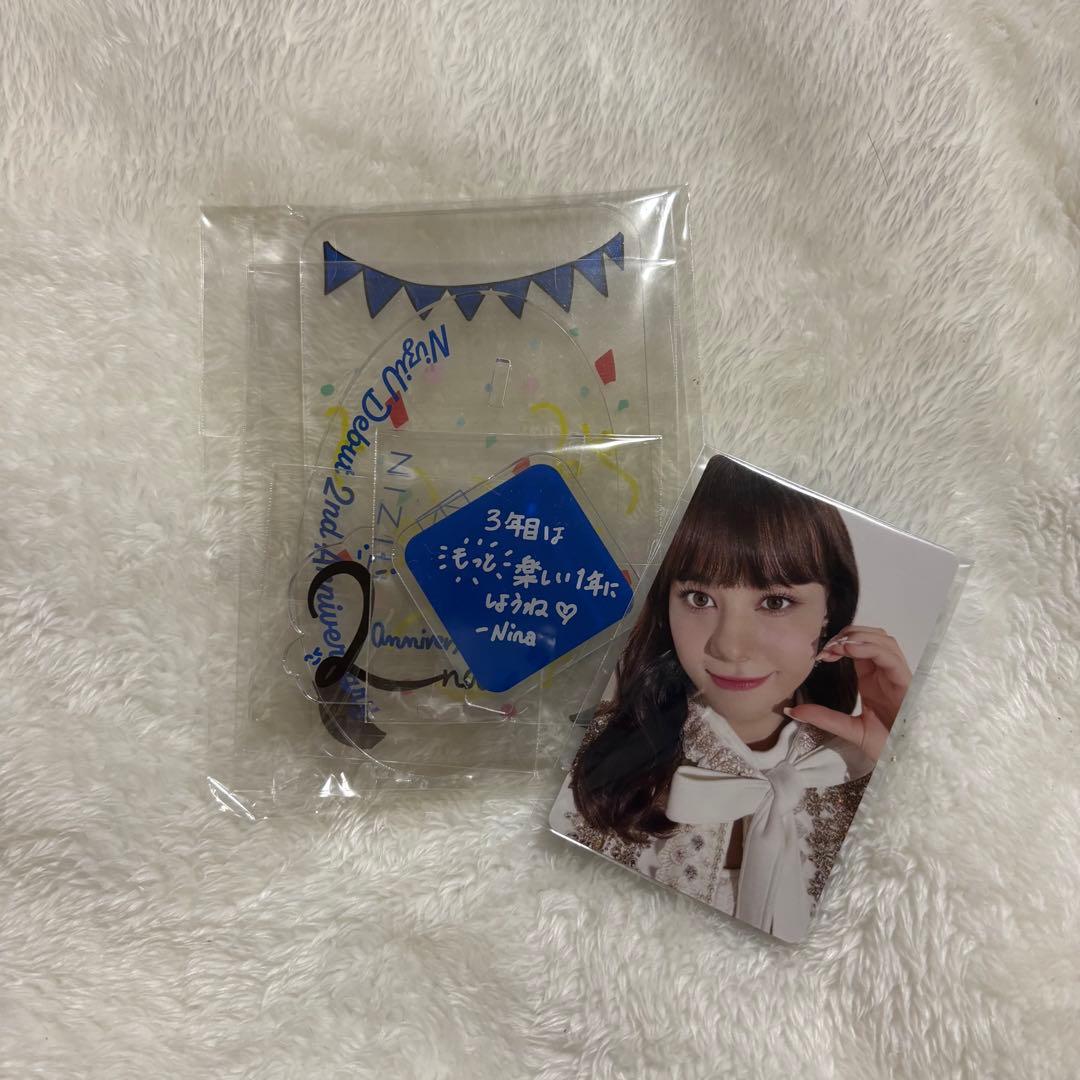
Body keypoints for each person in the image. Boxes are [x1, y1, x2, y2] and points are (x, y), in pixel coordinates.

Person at [549, 455, 912, 941]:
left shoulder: (867, 776)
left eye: (775, 601)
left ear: (831, 610)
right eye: (700, 598)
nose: (731, 647)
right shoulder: (583, 765)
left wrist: (907, 767)